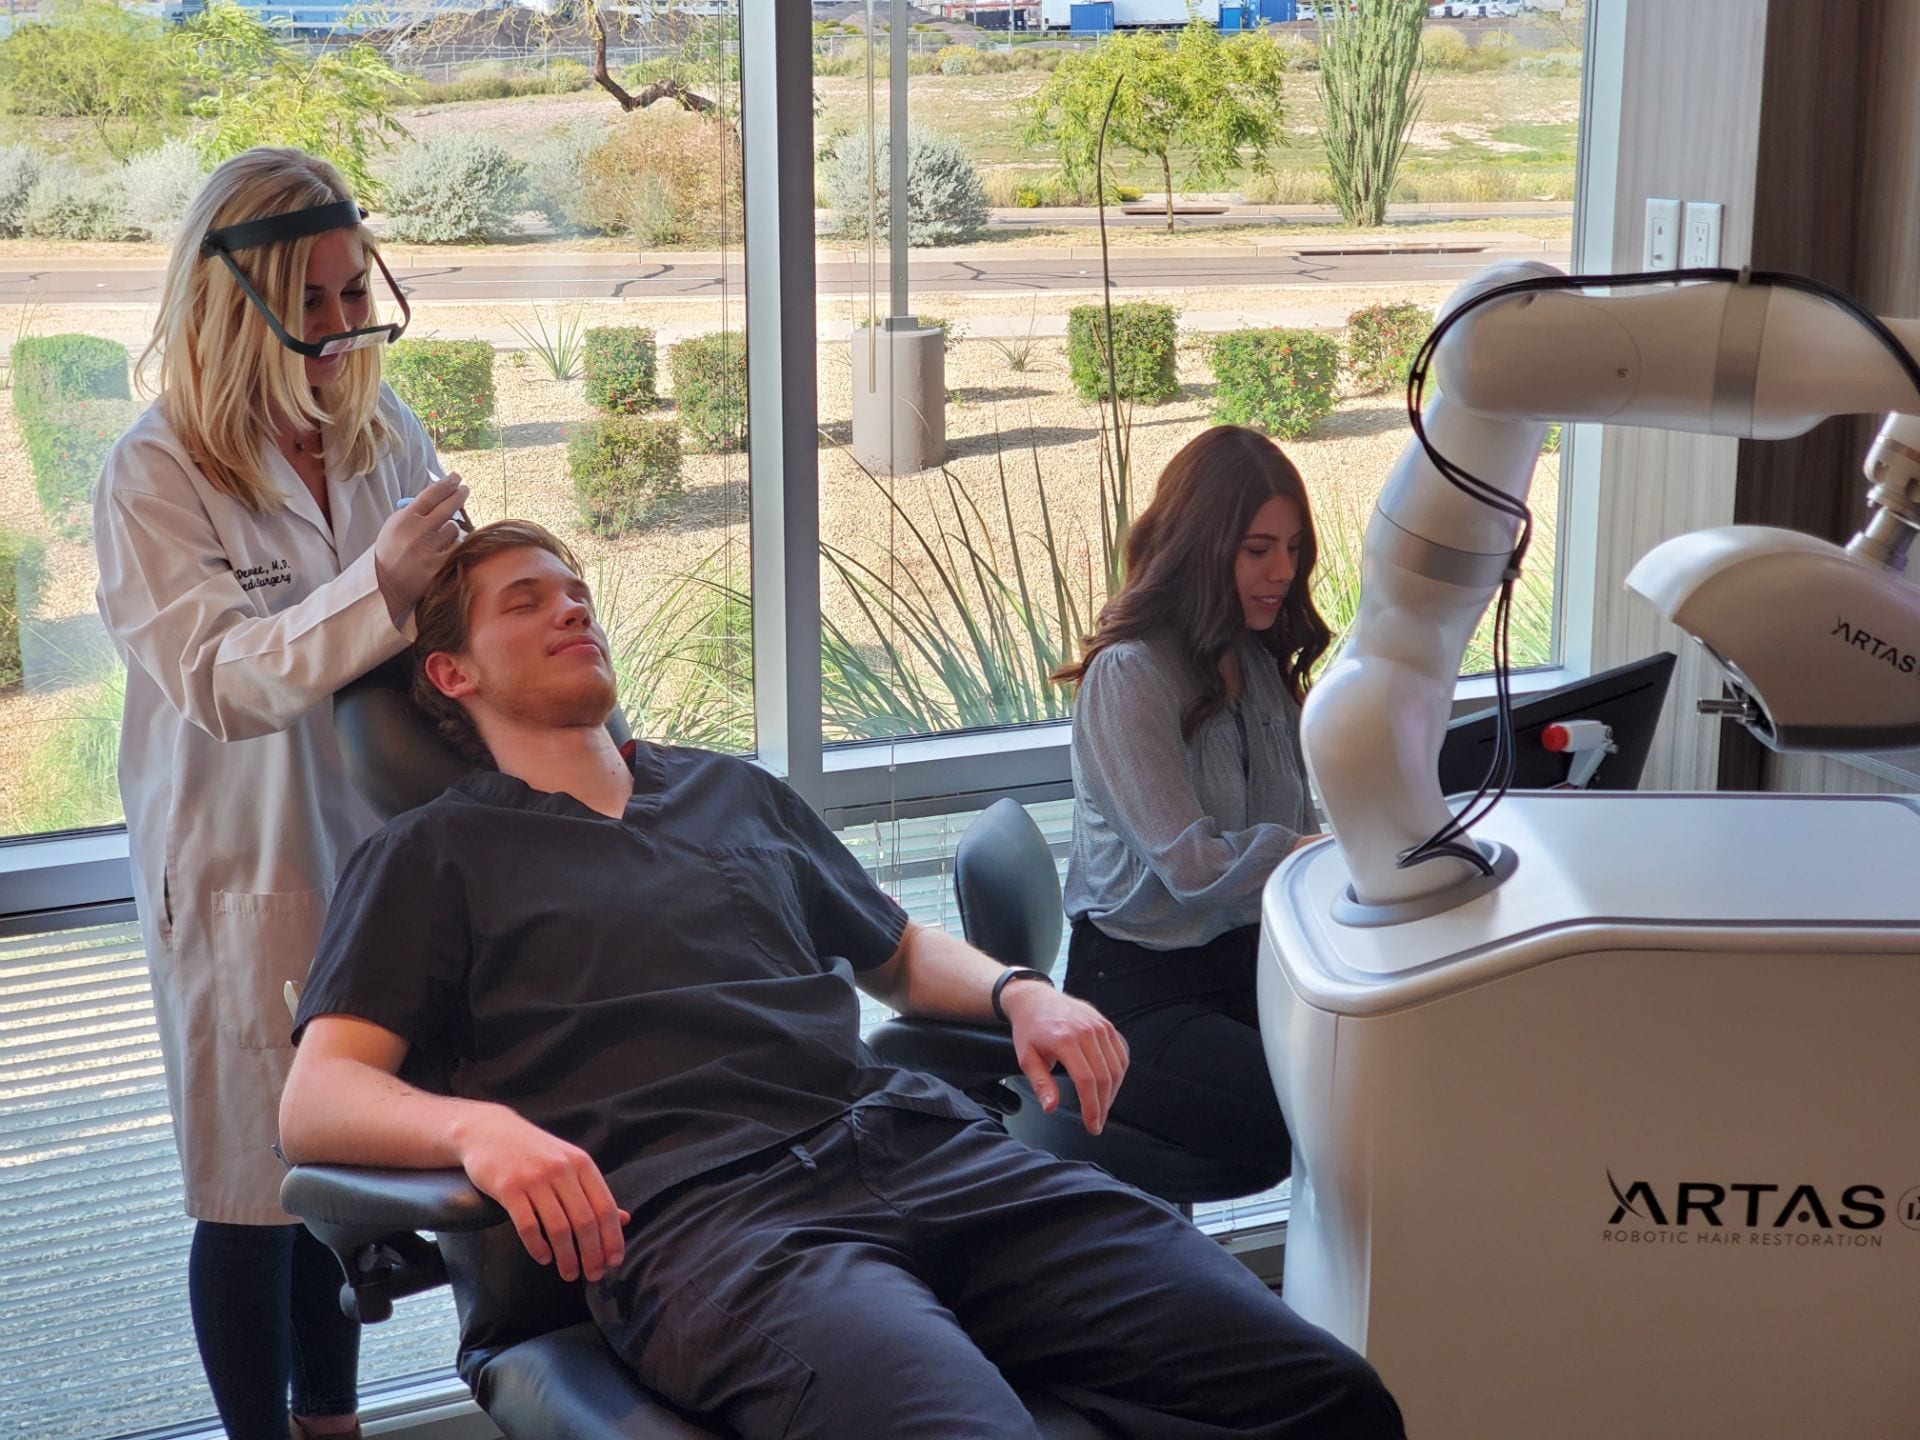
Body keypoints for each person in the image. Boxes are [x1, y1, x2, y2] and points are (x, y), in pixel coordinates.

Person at [280, 520, 1403, 1440]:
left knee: (1330, 1400)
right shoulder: (431, 856)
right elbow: (317, 1097)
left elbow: (903, 957)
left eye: (575, 590)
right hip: (713, 1225)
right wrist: (480, 1132)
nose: (570, 606)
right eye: (524, 599)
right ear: (450, 672)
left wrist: (1023, 990)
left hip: (924, 1153)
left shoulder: (732, 793)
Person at [93, 147, 472, 1440]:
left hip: (382, 861)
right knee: (253, 1191)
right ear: (229, 306)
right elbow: (218, 680)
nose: (339, 326)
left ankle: (335, 1422)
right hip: (241, 872)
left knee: (343, 1181)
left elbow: (432, 647)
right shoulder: (158, 475)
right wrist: (383, 581)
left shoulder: (387, 433)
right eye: (307, 302)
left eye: (351, 292)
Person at [1052, 425, 1332, 1185]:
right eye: (1257, 549)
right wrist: (1323, 853)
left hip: (1243, 966)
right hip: (1137, 998)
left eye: (1294, 548)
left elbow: (1300, 827)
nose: (1282, 571)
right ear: (1202, 546)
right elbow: (1195, 869)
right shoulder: (1129, 676)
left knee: (1388, 1069)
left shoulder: (1256, 658)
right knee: (1322, 1116)